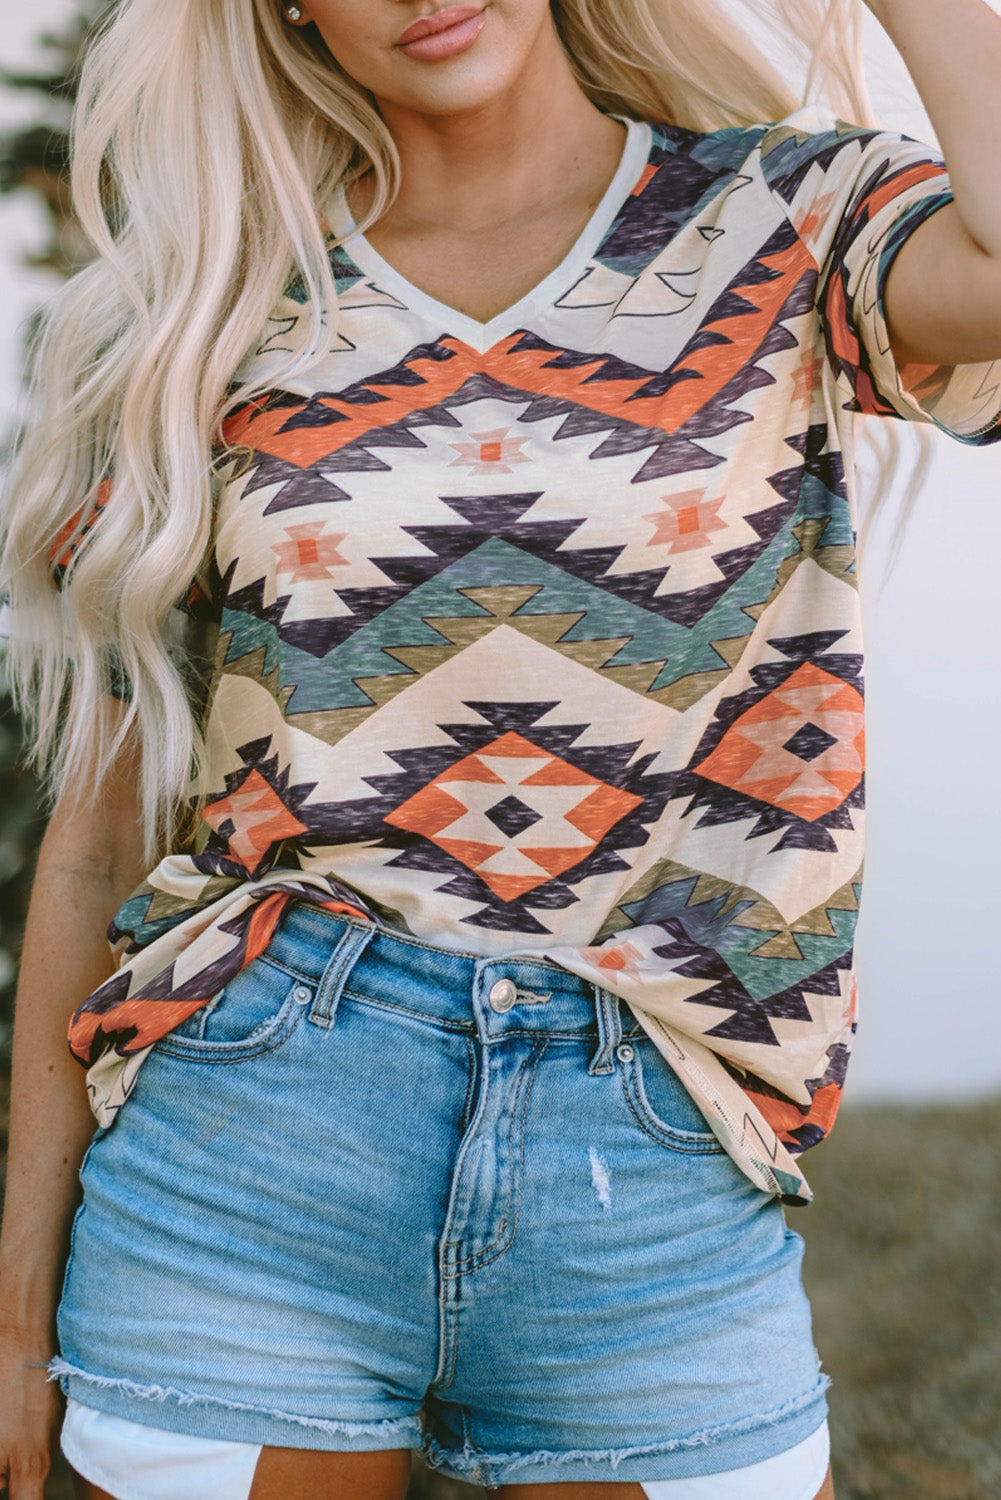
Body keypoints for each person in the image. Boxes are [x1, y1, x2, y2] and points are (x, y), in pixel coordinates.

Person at [2, 0, 1000, 1495]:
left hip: (653, 1137)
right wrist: (16, 1329)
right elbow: (94, 840)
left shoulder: (784, 215)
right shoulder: (208, 302)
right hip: (259, 1118)